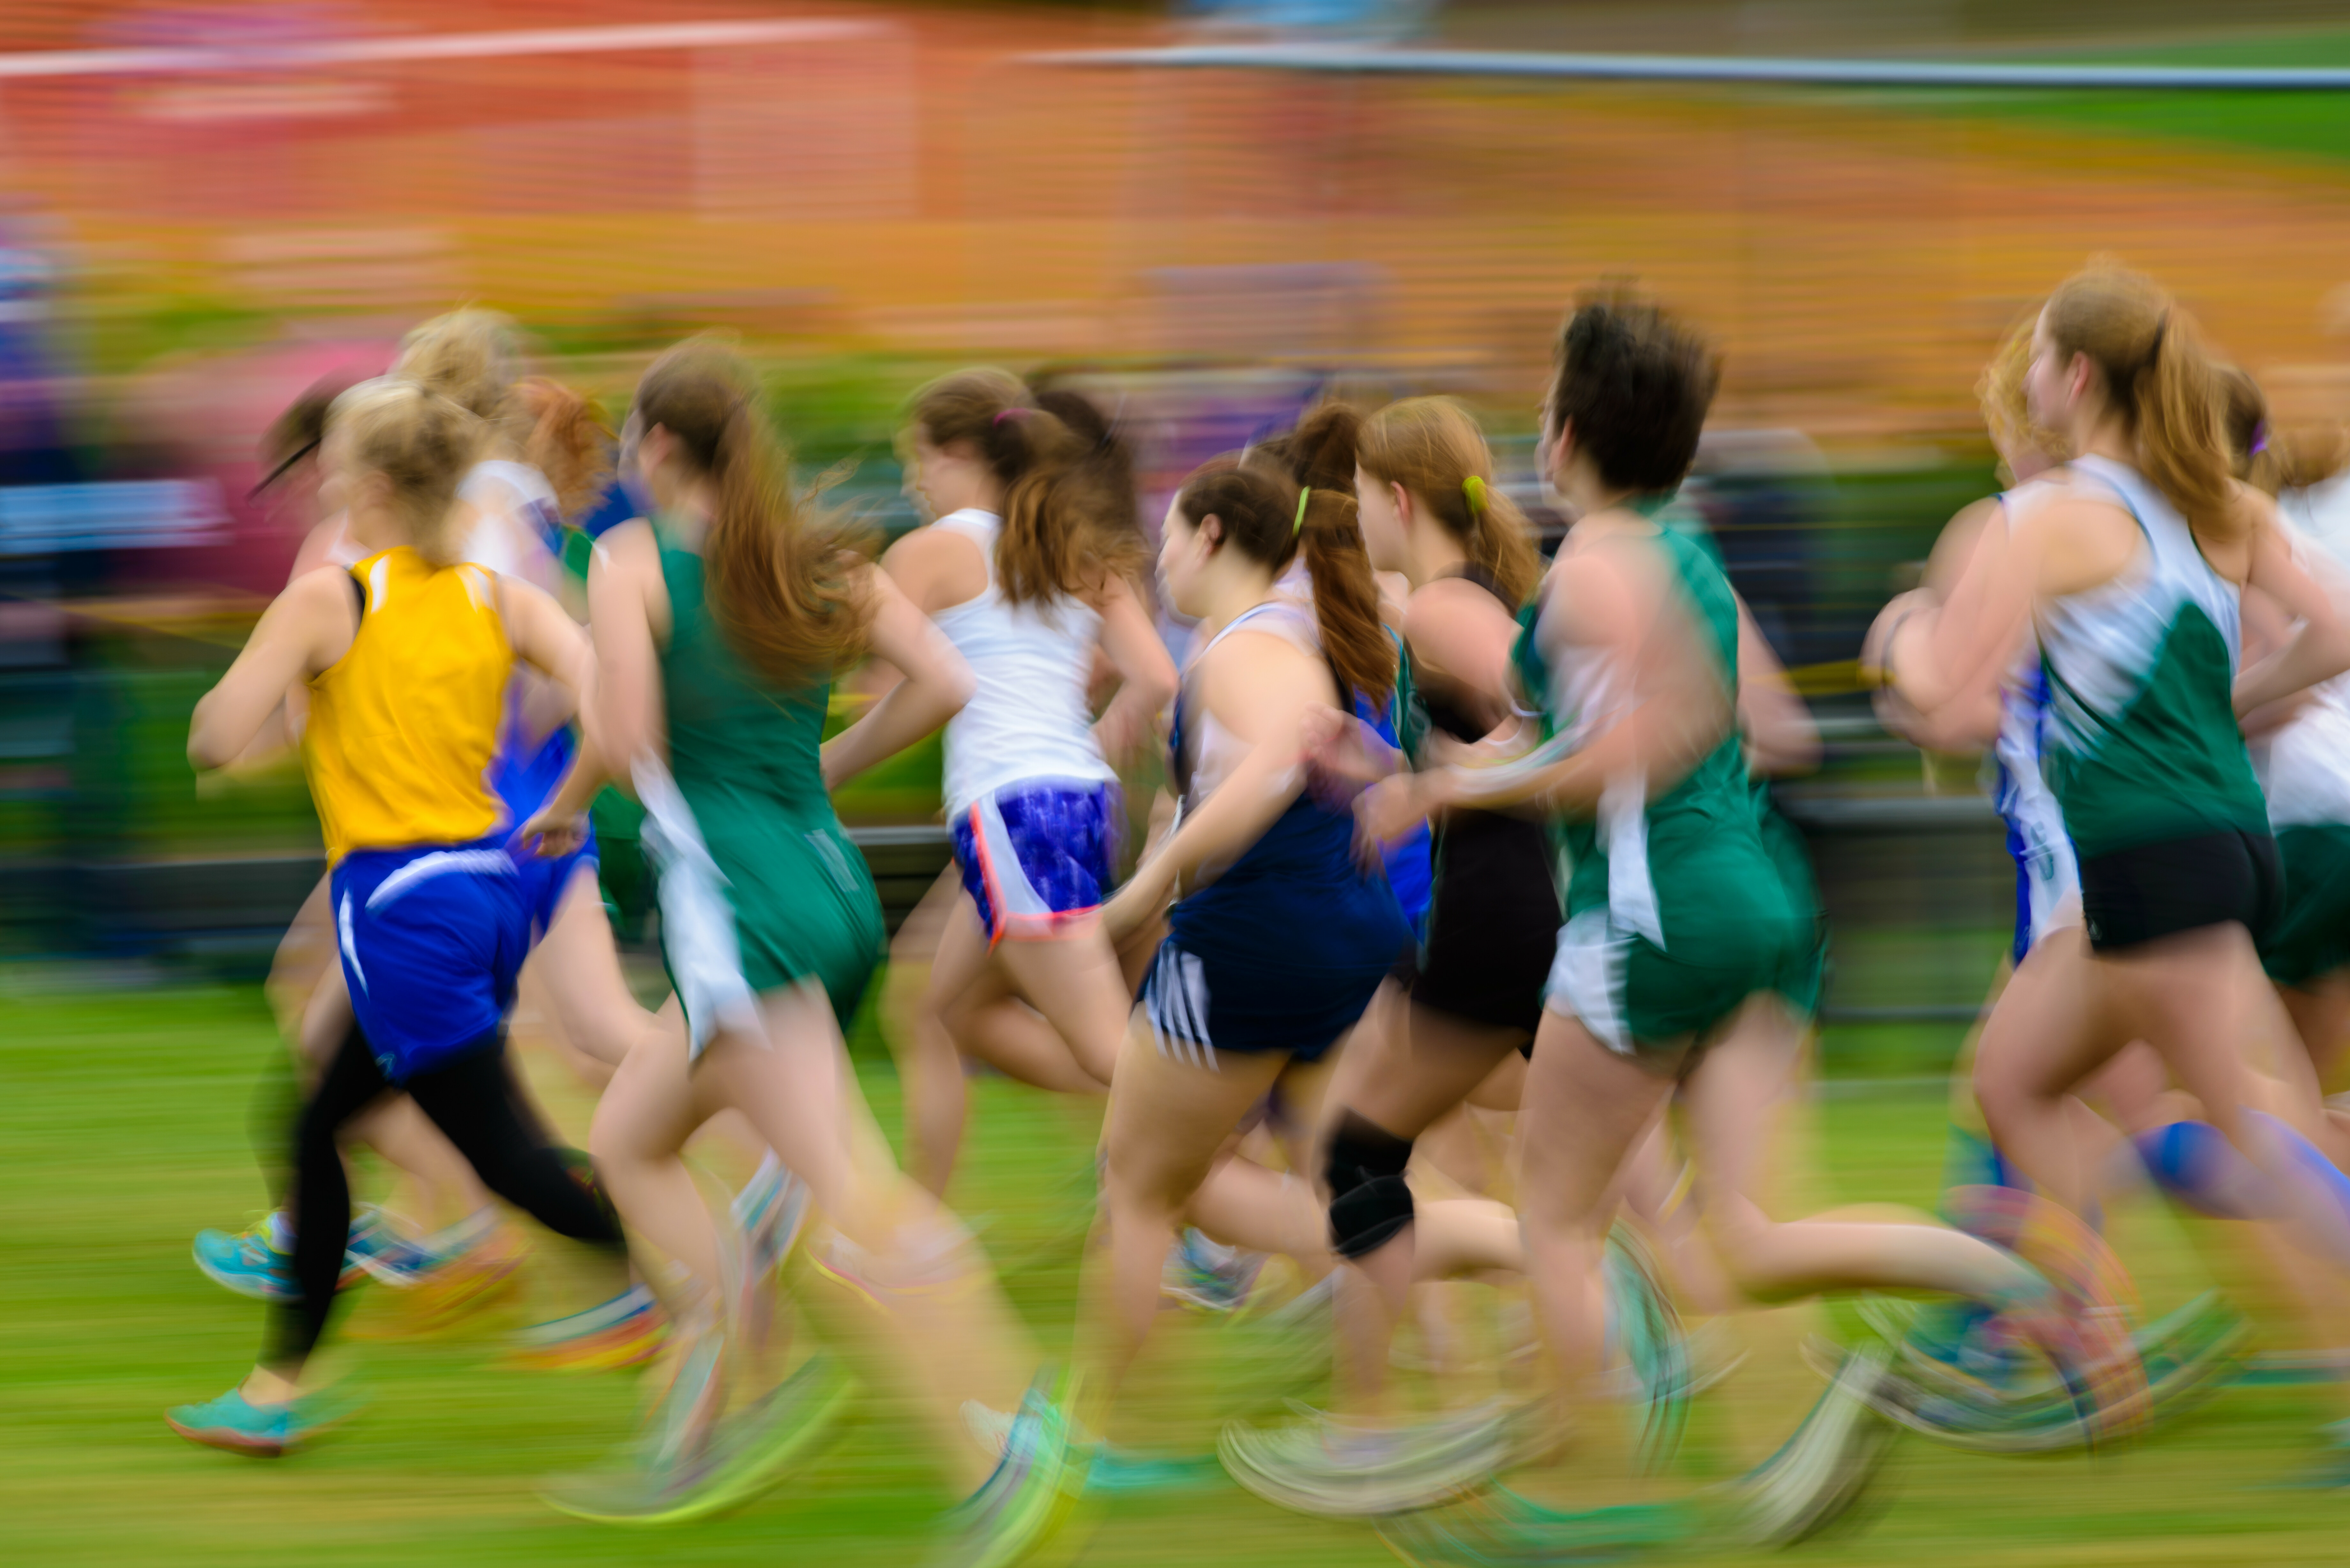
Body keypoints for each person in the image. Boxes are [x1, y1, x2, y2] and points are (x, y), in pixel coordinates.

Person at [1371, 291, 2114, 1559]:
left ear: (1561, 435)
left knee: (1556, 1224)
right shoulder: (1692, 553)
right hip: (1762, 903)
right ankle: (2025, 1281)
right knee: (1749, 1239)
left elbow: (1596, 757)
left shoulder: (1581, 578)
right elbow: (1750, 729)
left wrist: (1444, 783)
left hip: (1647, 920)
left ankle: (1588, 1502)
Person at [535, 341, 1058, 1540]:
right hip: (819, 886)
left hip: (738, 915)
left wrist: (561, 812)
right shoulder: (809, 557)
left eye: (632, 440)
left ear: (659, 447)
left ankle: (1010, 1442)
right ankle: (734, 1392)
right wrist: (826, 765)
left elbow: (620, 728)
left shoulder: (632, 560)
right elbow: (939, 682)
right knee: (631, 1138)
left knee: (854, 1201)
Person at [166, 378, 633, 1456]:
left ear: (374, 487)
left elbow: (216, 736)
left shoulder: (334, 599)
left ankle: (684, 1272)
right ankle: (275, 1391)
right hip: (496, 893)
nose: (323, 486)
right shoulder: (493, 595)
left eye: (334, 470)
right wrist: (570, 803)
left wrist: (234, 719)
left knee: (508, 1160)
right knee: (309, 1124)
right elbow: (604, 681)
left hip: (401, 913)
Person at [1077, 456, 1412, 1520]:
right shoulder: (1291, 636)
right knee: (1333, 1191)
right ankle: (1482, 1290)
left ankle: (1086, 1440)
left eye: (1168, 536)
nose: (1161, 557)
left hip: (1252, 946)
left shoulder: (1245, 651)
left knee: (1134, 1185)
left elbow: (1279, 763)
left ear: (1214, 534)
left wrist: (1147, 891)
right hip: (1342, 938)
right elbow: (1327, 761)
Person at [882, 369, 1175, 1196]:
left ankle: (1235, 1180)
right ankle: (918, 1230)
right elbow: (1153, 675)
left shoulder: (936, 553)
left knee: (1104, 1044)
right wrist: (1084, 739)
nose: (913, 481)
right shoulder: (1067, 547)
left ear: (966, 453)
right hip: (1070, 800)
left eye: (920, 459)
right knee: (931, 1008)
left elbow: (877, 675)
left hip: (1013, 810)